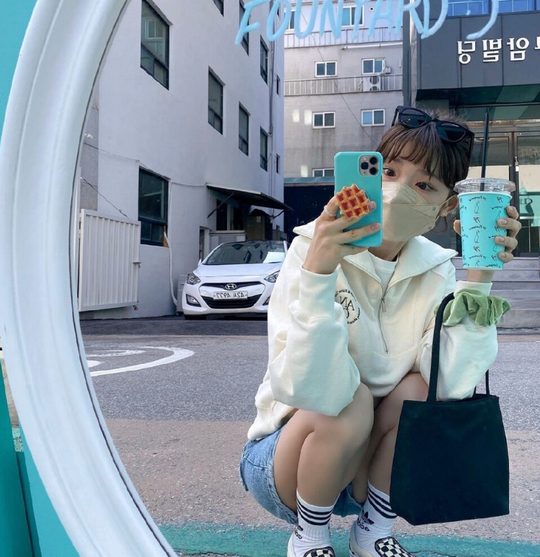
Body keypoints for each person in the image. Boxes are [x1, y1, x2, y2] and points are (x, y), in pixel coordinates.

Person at [239, 106, 521, 557]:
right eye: (387, 172)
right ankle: (309, 538)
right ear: (367, 173)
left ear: (448, 206)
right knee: (346, 399)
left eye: (424, 185)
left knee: (419, 388)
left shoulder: (436, 269)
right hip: (287, 462)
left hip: (369, 474)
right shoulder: (313, 247)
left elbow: (449, 385)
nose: (398, 191)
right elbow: (307, 387)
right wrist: (318, 275)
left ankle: (372, 531)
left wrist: (479, 279)